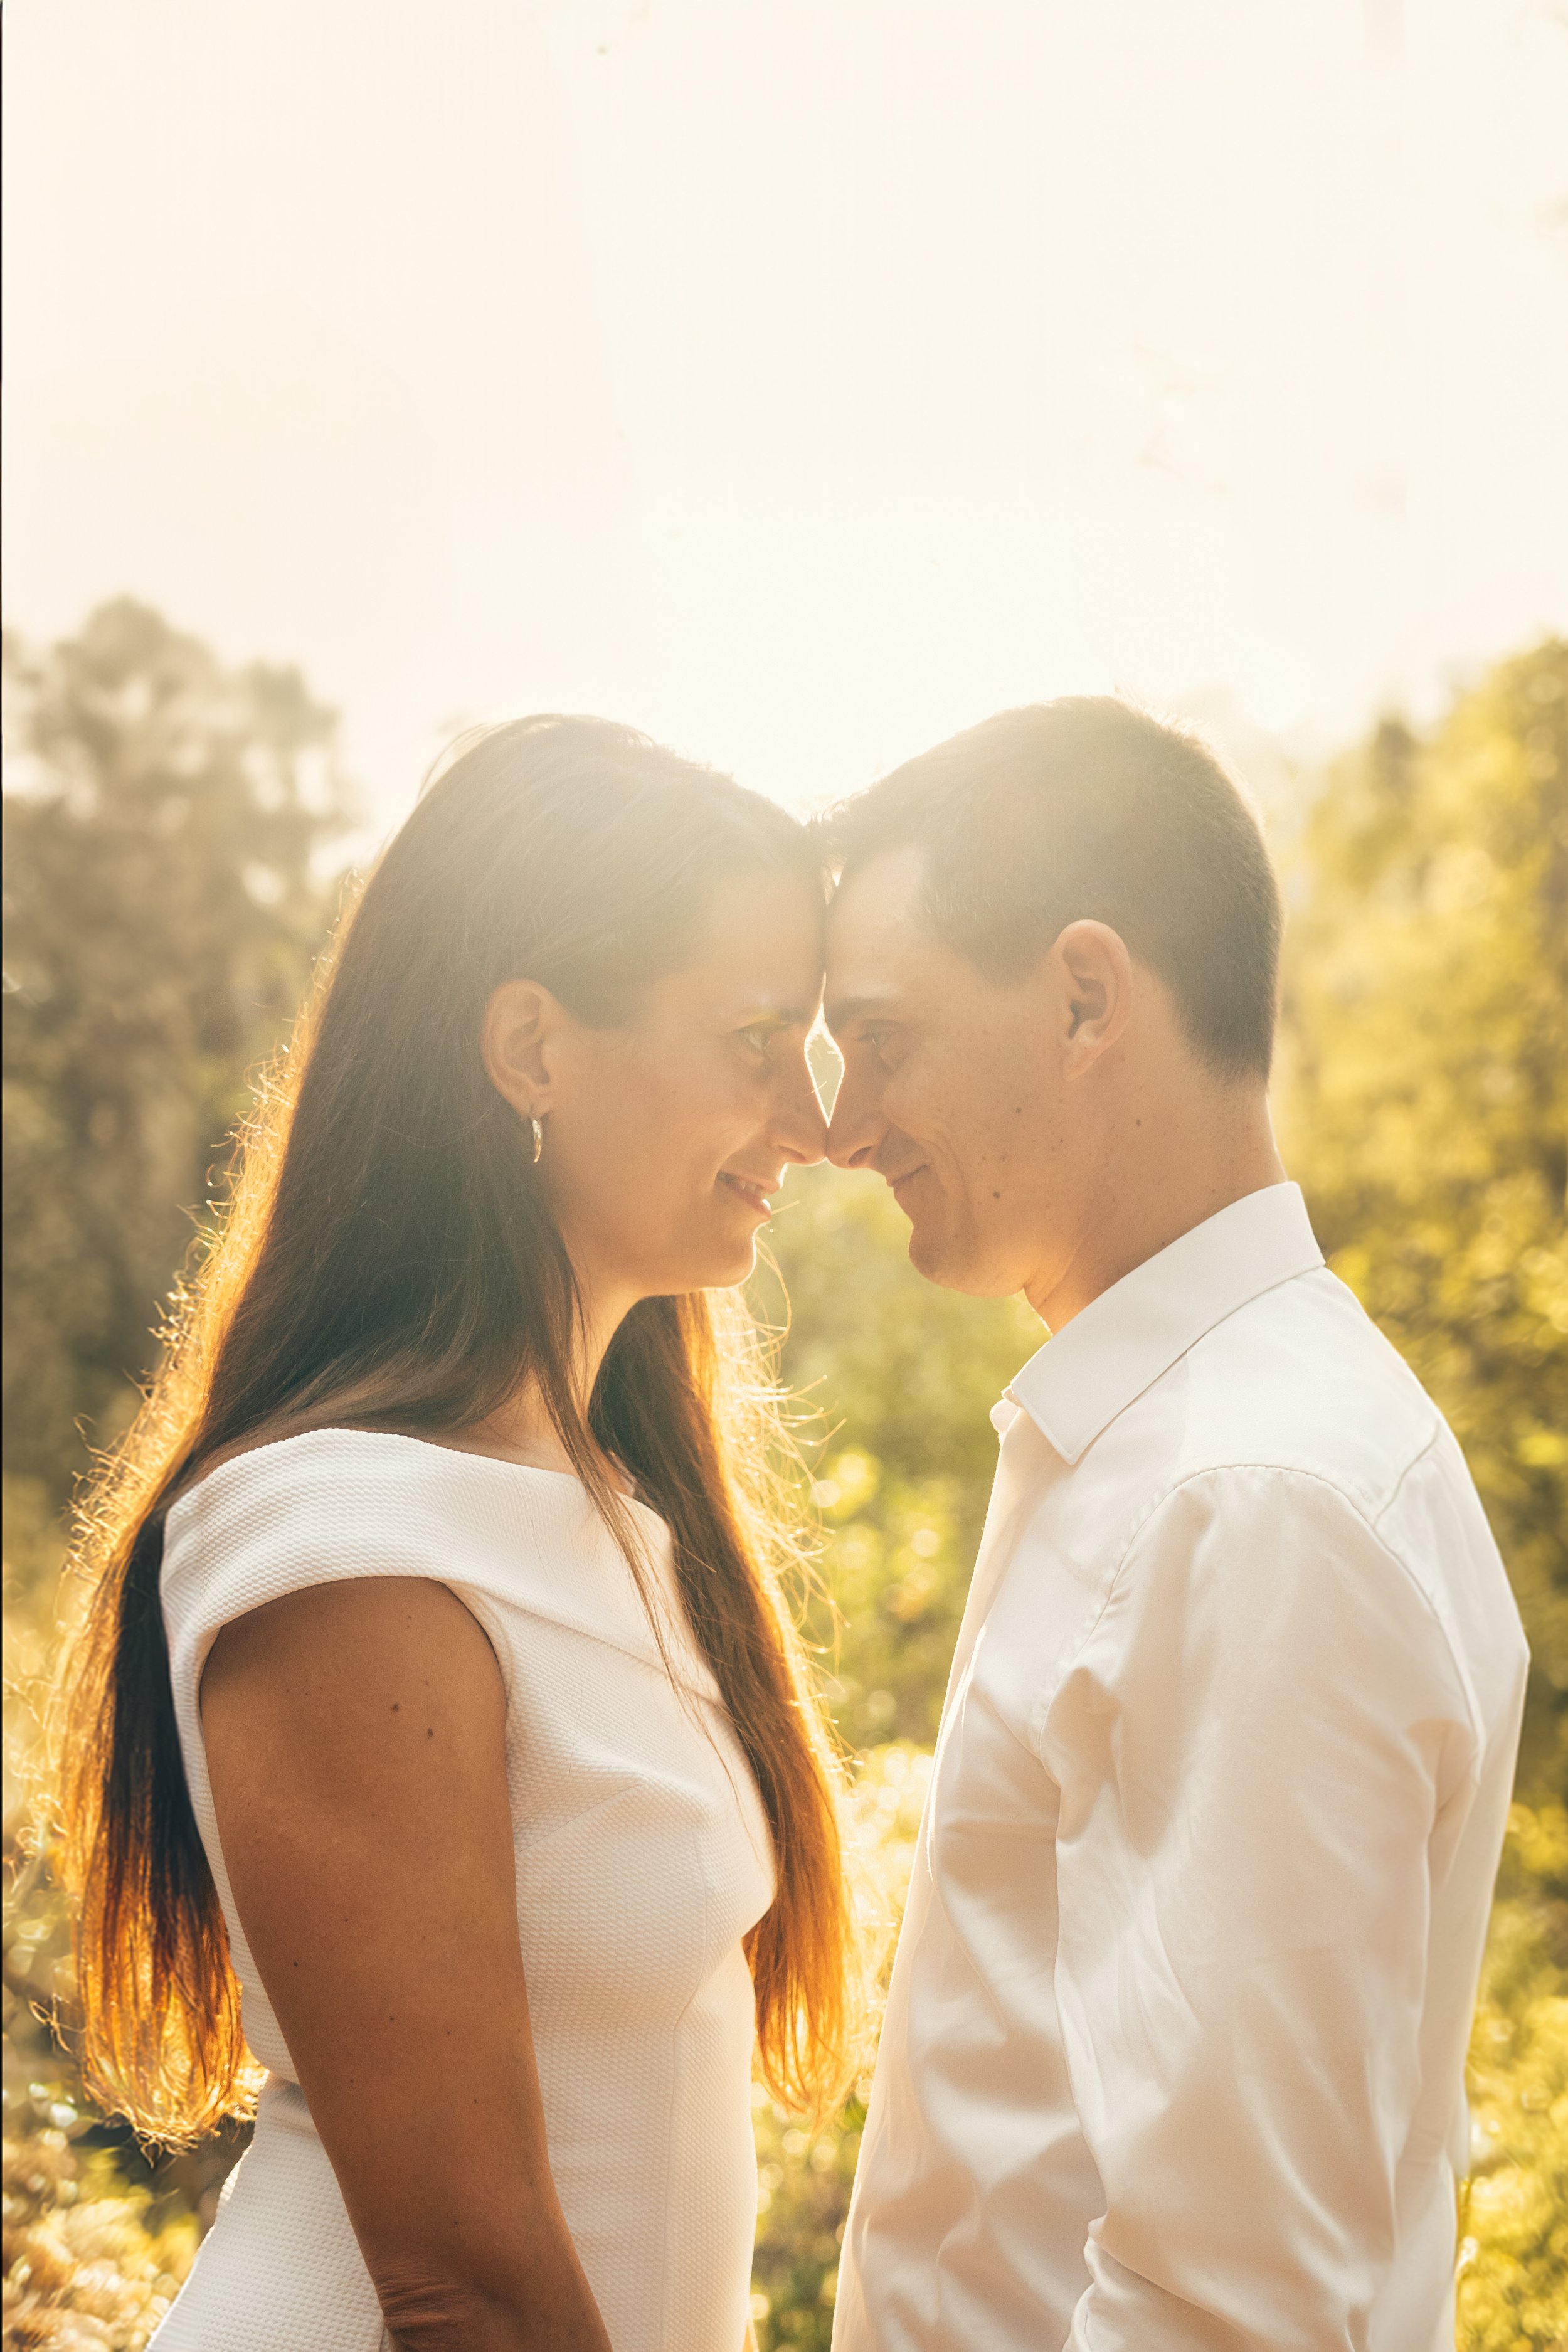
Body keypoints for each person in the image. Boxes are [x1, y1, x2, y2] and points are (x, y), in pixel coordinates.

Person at [55, 716, 852, 2352]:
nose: (811, 1121)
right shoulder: (343, 1544)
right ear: (531, 1049)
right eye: (755, 1037)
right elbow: (461, 2288)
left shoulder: (627, 1515)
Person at [820, 697, 1527, 2351]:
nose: (843, 1127)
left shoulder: (1247, 1503)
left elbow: (1233, 2310)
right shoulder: (1183, 1458)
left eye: (882, 1036)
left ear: (1082, 998)